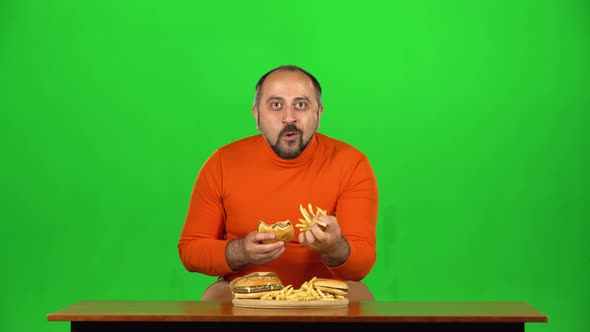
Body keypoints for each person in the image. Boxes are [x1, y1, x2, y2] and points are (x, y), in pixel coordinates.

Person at [178, 65, 379, 301]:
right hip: (245, 290)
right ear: (256, 115)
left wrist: (333, 247)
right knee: (213, 300)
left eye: (301, 104)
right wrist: (241, 250)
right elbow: (191, 250)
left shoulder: (352, 163)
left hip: (327, 292)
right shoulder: (222, 162)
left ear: (319, 114)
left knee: (360, 299)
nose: (289, 117)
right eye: (276, 105)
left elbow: (361, 265)